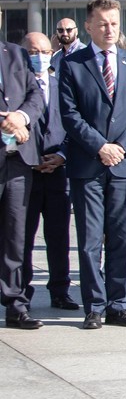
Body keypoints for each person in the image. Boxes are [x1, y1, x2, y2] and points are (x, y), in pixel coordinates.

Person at [58, 0, 126, 329]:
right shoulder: (73, 64)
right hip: (88, 165)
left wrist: (120, 148)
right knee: (90, 241)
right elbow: (69, 114)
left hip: (124, 167)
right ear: (88, 26)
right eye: (102, 24)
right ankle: (94, 306)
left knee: (122, 238)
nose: (109, 29)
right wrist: (101, 146)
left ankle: (118, 304)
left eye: (114, 23)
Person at [20, 33, 79, 313]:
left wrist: (62, 156)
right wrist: (31, 158)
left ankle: (60, 291)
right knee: (22, 238)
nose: (40, 57)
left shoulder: (61, 84)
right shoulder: (14, 87)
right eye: (33, 51)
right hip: (25, 173)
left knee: (58, 237)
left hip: (58, 172)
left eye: (45, 51)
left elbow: (73, 124)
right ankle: (20, 292)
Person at [1, 36, 43, 329]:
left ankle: (15, 305)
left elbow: (36, 95)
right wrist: (5, 122)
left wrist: (21, 117)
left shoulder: (15, 53)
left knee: (16, 237)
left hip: (17, 162)